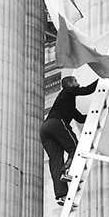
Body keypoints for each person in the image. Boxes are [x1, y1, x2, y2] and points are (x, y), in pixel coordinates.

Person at [40, 76, 98, 206]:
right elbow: (87, 90)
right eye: (76, 81)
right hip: (55, 123)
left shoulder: (68, 103)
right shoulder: (68, 91)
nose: (78, 83)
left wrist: (94, 115)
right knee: (75, 148)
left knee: (55, 161)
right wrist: (103, 77)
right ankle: (68, 170)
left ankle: (61, 195)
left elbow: (81, 119)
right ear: (71, 84)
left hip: (45, 130)